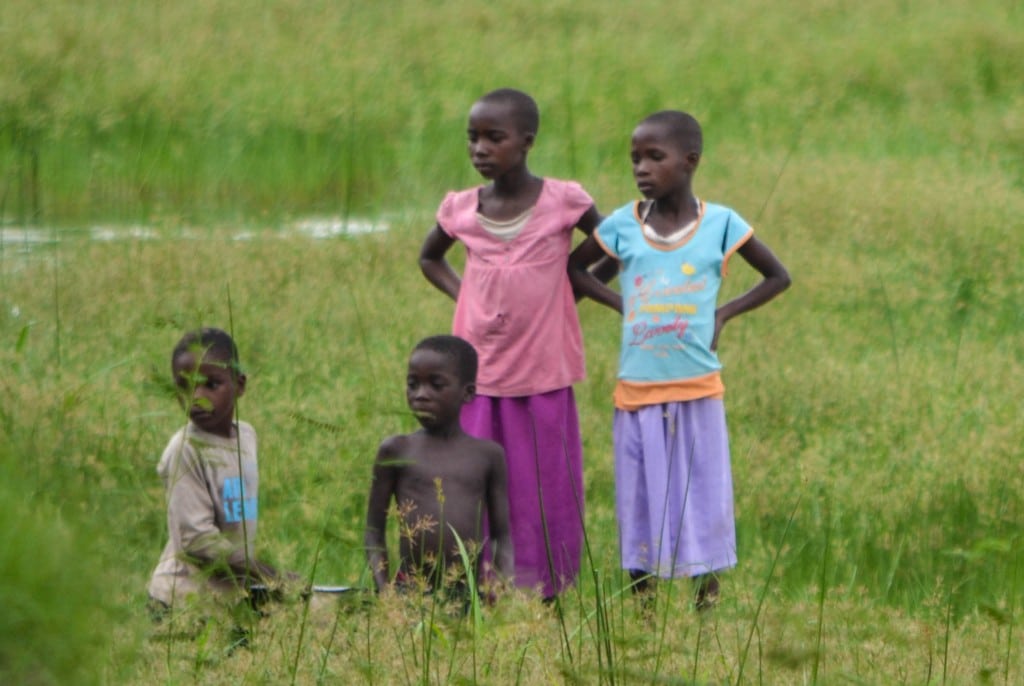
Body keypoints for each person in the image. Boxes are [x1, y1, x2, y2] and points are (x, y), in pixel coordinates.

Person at [569, 110, 791, 609]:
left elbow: (778, 276)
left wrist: (725, 313)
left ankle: (705, 611)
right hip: (637, 393)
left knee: (704, 500)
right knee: (638, 504)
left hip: (697, 391)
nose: (641, 168)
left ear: (690, 162)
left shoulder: (721, 223)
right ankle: (641, 613)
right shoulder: (624, 225)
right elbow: (576, 270)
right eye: (634, 159)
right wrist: (620, 303)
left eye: (654, 157)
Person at [419, 88, 611, 599]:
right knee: (476, 482)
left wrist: (571, 293)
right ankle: (479, 587)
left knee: (544, 487)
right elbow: (429, 258)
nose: (480, 148)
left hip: (543, 374)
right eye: (472, 138)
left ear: (526, 142)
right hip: (478, 377)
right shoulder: (461, 208)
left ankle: (546, 590)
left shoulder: (564, 200)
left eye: (493, 138)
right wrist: (467, 297)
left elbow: (616, 244)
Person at [148, 328, 287, 613]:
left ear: (239, 385)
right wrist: (267, 573)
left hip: (226, 598)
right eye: (185, 386)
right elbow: (197, 541)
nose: (196, 397)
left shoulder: (246, 437)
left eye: (211, 384)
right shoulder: (185, 450)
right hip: (181, 600)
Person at [364, 335, 513, 596]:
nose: (421, 395)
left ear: (467, 393)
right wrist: (384, 591)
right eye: (413, 384)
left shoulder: (487, 455)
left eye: (436, 385)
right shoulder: (395, 450)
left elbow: (503, 537)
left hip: (468, 596)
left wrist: (499, 587)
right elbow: (373, 532)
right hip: (409, 593)